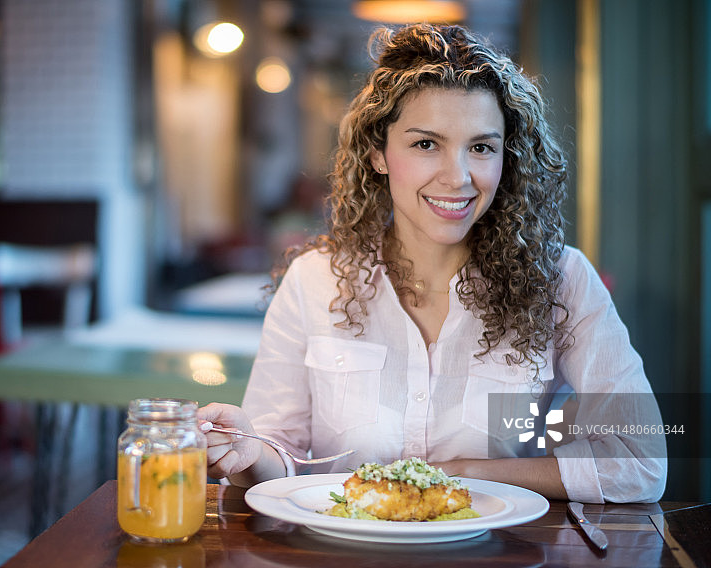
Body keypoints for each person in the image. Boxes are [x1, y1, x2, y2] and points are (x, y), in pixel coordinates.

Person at [198, 23, 666, 503]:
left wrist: (465, 472)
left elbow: (639, 461)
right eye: (426, 144)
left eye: (481, 147)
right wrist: (245, 451)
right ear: (379, 153)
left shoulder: (562, 280)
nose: (458, 177)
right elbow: (280, 456)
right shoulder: (314, 281)